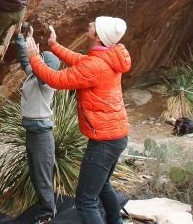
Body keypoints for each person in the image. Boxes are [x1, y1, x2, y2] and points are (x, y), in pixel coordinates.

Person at [25, 18, 131, 224]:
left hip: (104, 142)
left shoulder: (95, 65)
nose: (90, 23)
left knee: (85, 201)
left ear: (99, 36)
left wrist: (34, 58)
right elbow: (80, 61)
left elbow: (56, 79)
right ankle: (115, 221)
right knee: (103, 186)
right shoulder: (108, 56)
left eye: (95, 24)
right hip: (116, 135)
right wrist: (54, 46)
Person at [15, 22, 61, 224]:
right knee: (35, 175)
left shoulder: (47, 82)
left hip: (42, 137)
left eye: (42, 60)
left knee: (42, 178)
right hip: (32, 134)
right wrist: (22, 38)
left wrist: (36, 57)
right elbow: (26, 59)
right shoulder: (34, 77)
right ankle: (45, 210)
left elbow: (38, 69)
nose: (37, 62)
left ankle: (47, 215)